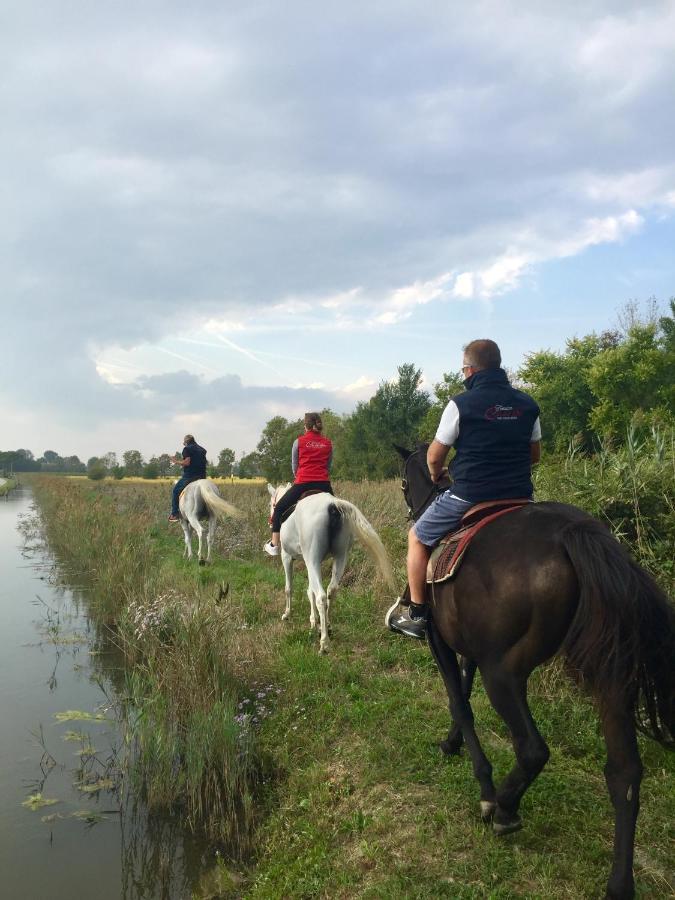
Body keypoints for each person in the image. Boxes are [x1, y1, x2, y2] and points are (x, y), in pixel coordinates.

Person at [389, 339, 541, 639]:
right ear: (499, 366)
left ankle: (417, 614)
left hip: (470, 494)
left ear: (469, 370)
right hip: (521, 495)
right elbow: (534, 456)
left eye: (463, 369)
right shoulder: (528, 404)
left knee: (417, 537)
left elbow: (433, 456)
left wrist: (437, 474)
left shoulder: (461, 404)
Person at [263, 412, 333, 556]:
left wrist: (299, 477)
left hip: (304, 483)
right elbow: (328, 466)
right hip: (324, 485)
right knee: (340, 513)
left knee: (278, 509)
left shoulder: (299, 442)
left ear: (306, 426)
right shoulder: (327, 443)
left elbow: (295, 466)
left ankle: (275, 544)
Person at [168, 434, 208, 522]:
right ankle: (206, 512)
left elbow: (187, 463)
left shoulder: (187, 449)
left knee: (175, 491)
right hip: (202, 476)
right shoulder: (202, 450)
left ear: (186, 442)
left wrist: (175, 461)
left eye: (184, 443)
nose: (184, 445)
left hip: (190, 476)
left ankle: (174, 514)